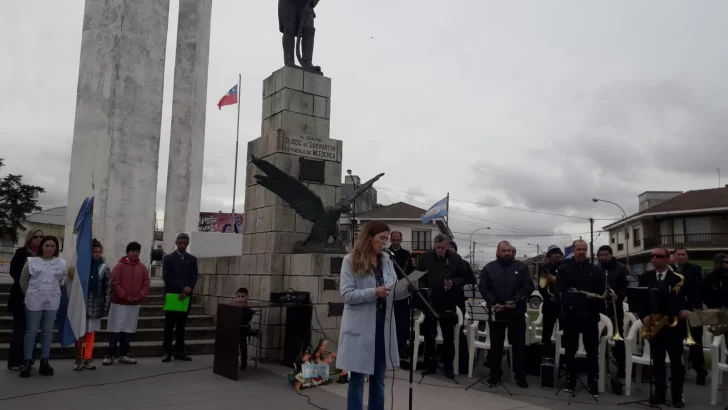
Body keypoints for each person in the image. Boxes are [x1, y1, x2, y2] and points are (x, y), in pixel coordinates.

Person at [337, 221, 411, 410]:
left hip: (382, 324)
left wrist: (407, 288)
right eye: (382, 238)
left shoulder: (386, 261)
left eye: (387, 239)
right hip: (361, 325)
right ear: (369, 237)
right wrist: (373, 292)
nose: (385, 243)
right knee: (358, 378)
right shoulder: (350, 260)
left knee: (379, 377)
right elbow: (347, 295)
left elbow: (392, 291)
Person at [638, 246, 691, 408]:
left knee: (676, 364)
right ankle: (659, 394)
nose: (655, 259)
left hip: (674, 326)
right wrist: (644, 315)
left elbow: (692, 298)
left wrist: (686, 309)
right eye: (653, 256)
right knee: (658, 363)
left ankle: (677, 396)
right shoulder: (645, 277)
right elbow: (641, 301)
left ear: (668, 258)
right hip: (655, 326)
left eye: (659, 256)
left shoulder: (678, 278)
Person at [479, 240, 534, 387]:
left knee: (519, 346)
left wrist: (515, 300)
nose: (507, 253)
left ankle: (520, 376)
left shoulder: (521, 267)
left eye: (509, 251)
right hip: (497, 312)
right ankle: (495, 374)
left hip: (516, 311)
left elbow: (528, 286)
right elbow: (483, 287)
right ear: (498, 252)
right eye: (504, 251)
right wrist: (493, 302)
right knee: (496, 346)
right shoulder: (489, 268)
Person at [415, 234, 470, 379]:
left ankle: (448, 367)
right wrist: (423, 289)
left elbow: (464, 278)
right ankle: (430, 365)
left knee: (448, 338)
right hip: (430, 302)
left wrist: (454, 282)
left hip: (448, 302)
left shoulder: (455, 259)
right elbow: (418, 276)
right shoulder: (425, 257)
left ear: (448, 246)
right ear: (434, 245)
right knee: (429, 337)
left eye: (443, 248)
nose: (440, 250)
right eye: (438, 247)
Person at [555, 239, 606, 397]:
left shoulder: (596, 270)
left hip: (590, 316)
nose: (582, 252)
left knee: (592, 352)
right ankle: (571, 380)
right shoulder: (564, 269)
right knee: (570, 350)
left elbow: (601, 292)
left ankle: (593, 382)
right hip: (571, 316)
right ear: (574, 250)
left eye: (584, 249)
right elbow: (560, 292)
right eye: (579, 249)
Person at [18, 235, 66, 378]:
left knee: (47, 331)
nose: (49, 248)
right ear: (42, 247)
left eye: (52, 246)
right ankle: (27, 361)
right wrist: (29, 295)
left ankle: (44, 360)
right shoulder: (32, 262)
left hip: (52, 301)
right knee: (31, 331)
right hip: (34, 301)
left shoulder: (61, 263)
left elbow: (63, 280)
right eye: (47, 245)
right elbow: (23, 280)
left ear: (56, 248)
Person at [104, 241, 151, 365]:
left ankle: (124, 354)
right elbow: (115, 282)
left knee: (128, 330)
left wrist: (140, 296)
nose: (135, 253)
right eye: (133, 251)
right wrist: (124, 296)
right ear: (127, 252)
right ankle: (110, 355)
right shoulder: (119, 266)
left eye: (137, 251)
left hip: (134, 305)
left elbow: (146, 283)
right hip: (119, 304)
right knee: (115, 329)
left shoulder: (142, 268)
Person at [73, 239, 112, 371]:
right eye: (95, 251)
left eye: (99, 252)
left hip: (96, 304)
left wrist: (106, 305)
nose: (97, 254)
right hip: (83, 303)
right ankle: (78, 358)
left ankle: (88, 358)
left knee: (91, 332)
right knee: (80, 332)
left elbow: (108, 288)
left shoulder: (104, 268)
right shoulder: (83, 267)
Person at [6, 229, 42, 370]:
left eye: (41, 237)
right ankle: (15, 361)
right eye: (36, 237)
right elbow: (14, 271)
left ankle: (28, 359)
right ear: (30, 238)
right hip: (20, 297)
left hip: (36, 299)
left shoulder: (43, 255)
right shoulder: (21, 253)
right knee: (20, 330)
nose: (39, 239)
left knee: (32, 329)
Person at [672, 247, 707, 385]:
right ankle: (679, 371)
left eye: (683, 254)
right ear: (673, 256)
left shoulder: (695, 269)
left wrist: (688, 309)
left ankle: (700, 372)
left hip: (692, 310)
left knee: (696, 344)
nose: (680, 257)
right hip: (675, 312)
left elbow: (698, 291)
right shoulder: (669, 270)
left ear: (687, 257)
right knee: (675, 345)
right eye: (678, 254)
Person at [162, 233, 199, 362]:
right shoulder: (168, 258)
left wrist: (188, 289)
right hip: (173, 295)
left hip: (186, 296)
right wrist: (182, 287)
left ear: (188, 244)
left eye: (185, 243)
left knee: (181, 325)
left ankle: (180, 351)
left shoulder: (192, 259)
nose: (182, 245)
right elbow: (167, 276)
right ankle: (167, 351)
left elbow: (194, 276)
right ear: (176, 243)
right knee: (169, 325)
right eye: (180, 243)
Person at [597, 245, 630, 378]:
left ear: (611, 255)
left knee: (618, 337)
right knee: (599, 337)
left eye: (606, 255)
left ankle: (622, 367)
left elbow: (628, 287)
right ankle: (601, 366)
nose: (603, 257)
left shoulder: (621, 268)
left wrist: (619, 295)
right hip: (599, 307)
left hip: (615, 307)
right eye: (601, 255)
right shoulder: (597, 268)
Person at [388, 231, 414, 361]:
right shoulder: (385, 254)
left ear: (401, 240)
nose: (395, 242)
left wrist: (410, 282)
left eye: (398, 240)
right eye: (393, 240)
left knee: (403, 322)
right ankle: (389, 348)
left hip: (403, 291)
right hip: (389, 292)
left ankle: (402, 348)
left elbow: (410, 272)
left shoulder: (406, 254)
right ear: (390, 240)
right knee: (389, 322)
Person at [538, 245, 563, 346]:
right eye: (554, 254)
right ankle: (546, 354)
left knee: (564, 331)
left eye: (559, 253)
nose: (557, 255)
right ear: (549, 256)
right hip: (550, 305)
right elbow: (541, 287)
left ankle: (562, 355)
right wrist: (549, 297)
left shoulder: (565, 267)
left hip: (563, 305)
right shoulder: (545, 269)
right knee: (547, 332)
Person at [235, 288, 257, 370]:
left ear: (246, 297)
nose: (240, 298)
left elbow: (246, 319)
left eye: (242, 296)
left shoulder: (248, 309)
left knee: (241, 340)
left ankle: (243, 361)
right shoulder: (234, 307)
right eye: (238, 296)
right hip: (236, 328)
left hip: (244, 328)